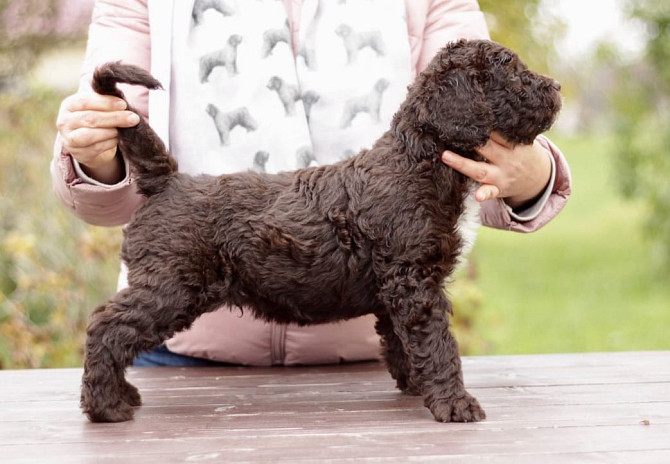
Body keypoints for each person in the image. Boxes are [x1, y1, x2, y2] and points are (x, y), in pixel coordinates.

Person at [52, 0, 572, 367]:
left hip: (368, 365)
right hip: (185, 358)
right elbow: (109, 159)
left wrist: (533, 172)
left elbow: (485, 98)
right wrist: (95, 153)